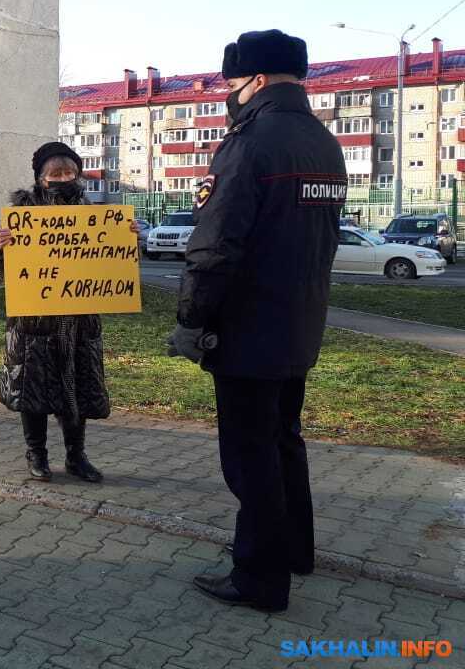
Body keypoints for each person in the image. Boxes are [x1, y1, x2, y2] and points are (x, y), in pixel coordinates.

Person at [167, 30, 347, 613]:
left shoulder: (249, 143)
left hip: (247, 329)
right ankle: (296, 550)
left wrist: (192, 318)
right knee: (284, 441)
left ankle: (260, 578)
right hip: (299, 323)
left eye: (232, 84)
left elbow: (215, 245)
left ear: (257, 80)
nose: (229, 95)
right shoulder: (323, 141)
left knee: (251, 458)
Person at [0, 142, 121, 484]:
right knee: (33, 393)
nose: (62, 178)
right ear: (40, 178)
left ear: (78, 175)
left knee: (77, 391)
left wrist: (123, 239)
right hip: (34, 324)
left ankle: (76, 456)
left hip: (78, 323)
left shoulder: (95, 217)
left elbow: (108, 268)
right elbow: (4, 277)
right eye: (55, 173)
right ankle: (37, 455)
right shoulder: (22, 217)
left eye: (69, 172)